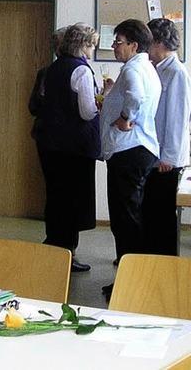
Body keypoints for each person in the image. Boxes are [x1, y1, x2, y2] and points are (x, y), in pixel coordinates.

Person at [100, 19, 161, 299]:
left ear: (134, 45)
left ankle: (129, 282)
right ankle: (133, 277)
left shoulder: (135, 68)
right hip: (139, 149)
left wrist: (125, 117)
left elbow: (135, 96)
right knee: (132, 218)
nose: (114, 46)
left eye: (118, 41)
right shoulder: (144, 67)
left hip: (129, 151)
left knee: (125, 221)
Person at [37, 23, 100, 272]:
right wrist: (102, 106)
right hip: (75, 146)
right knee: (74, 201)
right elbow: (86, 112)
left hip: (51, 143)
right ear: (83, 45)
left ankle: (55, 247)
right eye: (91, 44)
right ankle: (68, 253)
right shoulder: (81, 71)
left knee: (56, 198)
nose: (92, 49)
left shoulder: (52, 68)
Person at [142, 18, 191, 256]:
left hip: (166, 161)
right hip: (154, 155)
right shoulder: (158, 69)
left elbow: (177, 119)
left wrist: (168, 157)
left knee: (161, 218)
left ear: (160, 43)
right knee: (151, 215)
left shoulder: (176, 72)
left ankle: (163, 266)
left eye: (148, 42)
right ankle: (149, 262)